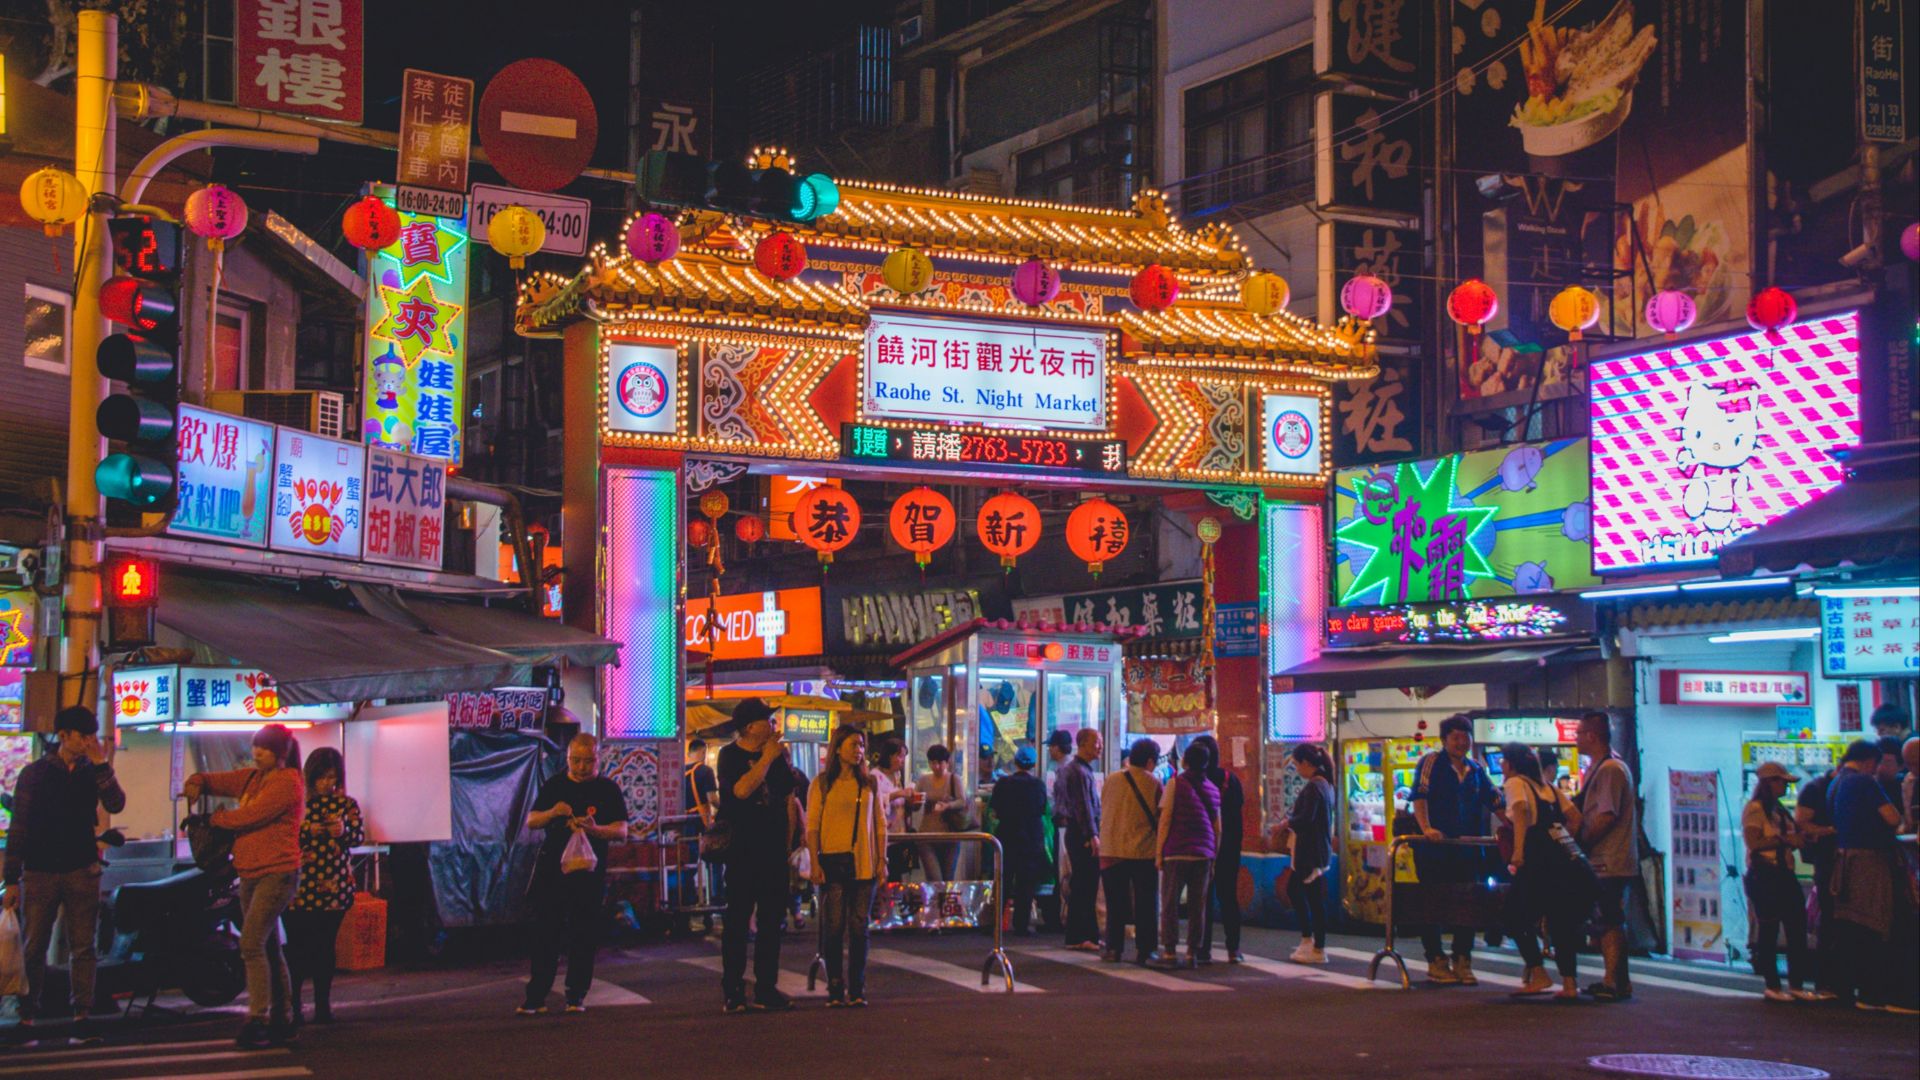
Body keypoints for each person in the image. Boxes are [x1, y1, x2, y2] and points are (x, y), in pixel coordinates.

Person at [2, 706, 125, 1044]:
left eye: (91, 736)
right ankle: (26, 1016)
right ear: (63, 735)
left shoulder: (93, 771)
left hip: (82, 868)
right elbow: (19, 827)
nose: (87, 742)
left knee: (83, 947)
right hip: (39, 870)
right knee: (33, 946)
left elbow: (116, 804)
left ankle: (82, 1016)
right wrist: (11, 879)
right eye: (81, 735)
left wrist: (102, 764)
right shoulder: (35, 773)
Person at [183, 723, 305, 1049]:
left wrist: (215, 819)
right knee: (267, 946)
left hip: (277, 873)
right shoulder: (253, 778)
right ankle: (283, 1018)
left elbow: (251, 816)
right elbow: (216, 780)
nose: (257, 753)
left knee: (250, 943)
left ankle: (258, 1018)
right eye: (256, 747)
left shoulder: (287, 783)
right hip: (250, 872)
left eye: (264, 748)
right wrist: (197, 781)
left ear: (281, 753)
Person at [516, 733, 628, 1016]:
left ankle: (576, 995)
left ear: (598, 759)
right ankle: (536, 996)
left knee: (584, 934)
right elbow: (531, 820)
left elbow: (622, 830)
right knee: (546, 933)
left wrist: (595, 830)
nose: (581, 767)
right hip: (553, 873)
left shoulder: (608, 789)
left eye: (587, 761)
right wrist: (554, 812)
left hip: (589, 874)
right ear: (567, 759)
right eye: (575, 761)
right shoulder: (555, 785)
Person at [716, 698, 800, 1013]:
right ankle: (733, 990)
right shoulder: (729, 755)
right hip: (741, 851)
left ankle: (766, 987)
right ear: (750, 726)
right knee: (737, 921)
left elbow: (789, 798)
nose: (773, 726)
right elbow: (740, 790)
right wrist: (766, 758)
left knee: (771, 922)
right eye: (767, 720)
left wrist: (790, 843)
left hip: (773, 850)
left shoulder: (779, 756)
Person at [1410, 714, 1501, 985]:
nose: (1461, 742)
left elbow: (1495, 799)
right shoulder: (1431, 762)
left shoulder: (1475, 769)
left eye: (1466, 737)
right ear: (1444, 740)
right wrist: (1426, 828)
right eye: (1456, 737)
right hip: (1435, 849)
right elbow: (1419, 796)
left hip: (1467, 848)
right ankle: (1436, 960)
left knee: (1468, 902)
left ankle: (1463, 959)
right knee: (1434, 903)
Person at [1499, 741, 1593, 1000]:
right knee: (1560, 919)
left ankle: (1539, 974)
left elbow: (1520, 812)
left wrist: (1518, 851)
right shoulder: (1548, 787)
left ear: (1512, 763)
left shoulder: (1515, 783)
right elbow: (1575, 817)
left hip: (1535, 859)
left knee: (1513, 917)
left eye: (1503, 760)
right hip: (1561, 861)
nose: (1501, 765)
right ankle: (1570, 984)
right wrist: (1560, 842)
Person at [1827, 738, 1914, 1013]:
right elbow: (1891, 818)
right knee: (1875, 923)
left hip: (1845, 860)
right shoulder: (1863, 782)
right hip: (1869, 862)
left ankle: (1852, 988)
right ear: (1869, 762)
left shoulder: (1836, 782)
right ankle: (1873, 992)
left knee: (1854, 925)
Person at [805, 725, 886, 1007]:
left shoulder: (869, 784)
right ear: (837, 748)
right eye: (853, 744)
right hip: (832, 862)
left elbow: (880, 825)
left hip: (864, 863)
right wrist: (815, 862)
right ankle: (836, 988)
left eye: (862, 745)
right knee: (834, 926)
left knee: (859, 926)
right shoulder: (821, 784)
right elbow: (812, 826)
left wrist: (882, 860)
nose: (859, 750)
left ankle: (858, 988)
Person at [284, 747, 364, 1025]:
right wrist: (307, 831)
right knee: (297, 947)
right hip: (297, 886)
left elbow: (357, 836)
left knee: (324, 946)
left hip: (335, 887)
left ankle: (322, 1005)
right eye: (321, 777)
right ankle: (292, 1004)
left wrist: (343, 831)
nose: (326, 783)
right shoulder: (297, 804)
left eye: (331, 777)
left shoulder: (347, 805)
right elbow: (282, 835)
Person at [1574, 711, 1639, 1002]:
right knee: (1608, 918)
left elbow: (1606, 814)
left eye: (1579, 733)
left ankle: (1614, 980)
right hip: (1608, 857)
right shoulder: (1602, 767)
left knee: (1610, 919)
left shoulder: (1610, 769)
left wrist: (1583, 843)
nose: (1576, 739)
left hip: (1609, 858)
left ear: (1592, 736)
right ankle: (1616, 979)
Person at [1742, 762, 1812, 1002]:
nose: (1785, 787)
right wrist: (1785, 840)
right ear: (1768, 782)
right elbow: (1754, 843)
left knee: (1796, 927)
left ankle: (1796, 983)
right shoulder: (1756, 809)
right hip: (1765, 874)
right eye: (1782, 782)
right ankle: (1772, 984)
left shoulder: (1779, 809)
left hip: (1785, 873)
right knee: (1769, 928)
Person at [1152, 741, 1220, 969]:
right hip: (1204, 854)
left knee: (1170, 904)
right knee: (1197, 907)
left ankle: (1170, 952)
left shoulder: (1175, 784)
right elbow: (1217, 827)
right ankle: (1193, 952)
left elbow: (1166, 819)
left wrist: (1159, 852)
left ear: (1184, 761)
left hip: (1177, 852)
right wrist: (1214, 856)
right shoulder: (1213, 789)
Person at [1098, 738, 1162, 963]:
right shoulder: (1153, 783)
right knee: (1146, 902)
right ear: (1150, 761)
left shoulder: (1111, 780)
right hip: (1142, 851)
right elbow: (1159, 817)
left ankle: (1113, 948)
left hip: (1111, 848)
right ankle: (1146, 950)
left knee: (1116, 903)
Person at [1272, 743, 1335, 964]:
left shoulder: (1313, 787)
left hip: (1309, 852)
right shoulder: (1325, 785)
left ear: (1306, 764)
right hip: (1318, 851)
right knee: (1312, 897)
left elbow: (1306, 819)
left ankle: (1313, 944)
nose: (1297, 769)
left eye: (1297, 764)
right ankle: (1313, 944)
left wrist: (1285, 824)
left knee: (1302, 894)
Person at [1192, 733, 1245, 964]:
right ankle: (1233, 949)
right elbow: (1238, 814)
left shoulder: (1190, 781)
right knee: (1228, 898)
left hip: (1201, 846)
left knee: (1202, 898)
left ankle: (1202, 949)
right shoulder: (1229, 779)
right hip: (1228, 849)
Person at [1793, 762, 1842, 1000]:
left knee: (1833, 921)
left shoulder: (1820, 788)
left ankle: (1829, 982)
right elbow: (1802, 823)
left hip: (1828, 865)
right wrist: (1832, 831)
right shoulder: (1816, 789)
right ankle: (1825, 982)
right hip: (1827, 864)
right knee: (1831, 920)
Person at [990, 745, 1048, 936]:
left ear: (1015, 762)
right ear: (1033, 764)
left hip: (1006, 837)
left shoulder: (1003, 784)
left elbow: (995, 811)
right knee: (1026, 883)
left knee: (1003, 880)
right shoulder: (1038, 785)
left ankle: (996, 922)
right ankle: (1021, 925)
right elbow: (1041, 809)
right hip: (1031, 839)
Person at [1054, 728, 1104, 952]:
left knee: (1084, 884)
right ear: (1082, 744)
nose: (1099, 746)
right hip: (1082, 833)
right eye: (1096, 742)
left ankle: (1083, 935)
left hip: (1078, 832)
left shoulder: (1076, 770)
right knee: (1085, 884)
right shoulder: (1078, 772)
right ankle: (1081, 935)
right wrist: (1092, 835)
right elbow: (1083, 807)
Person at [913, 744, 965, 883]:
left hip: (950, 836)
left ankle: (945, 904)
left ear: (947, 763)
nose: (936, 766)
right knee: (934, 878)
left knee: (948, 879)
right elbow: (915, 806)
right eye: (932, 763)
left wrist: (948, 805)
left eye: (940, 763)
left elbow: (962, 801)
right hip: (927, 835)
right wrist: (915, 801)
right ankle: (935, 904)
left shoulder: (954, 779)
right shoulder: (924, 780)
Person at [684, 736, 722, 908]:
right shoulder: (705, 771)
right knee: (714, 861)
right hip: (702, 822)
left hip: (684, 823)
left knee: (688, 864)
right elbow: (712, 799)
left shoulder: (680, 771)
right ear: (702, 752)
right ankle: (716, 898)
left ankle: (688, 899)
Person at [873, 739, 914, 882]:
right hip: (886, 837)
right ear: (889, 756)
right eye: (899, 756)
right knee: (887, 878)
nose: (902, 761)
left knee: (899, 878)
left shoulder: (897, 776)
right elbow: (874, 803)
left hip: (900, 835)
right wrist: (899, 794)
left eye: (904, 756)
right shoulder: (875, 776)